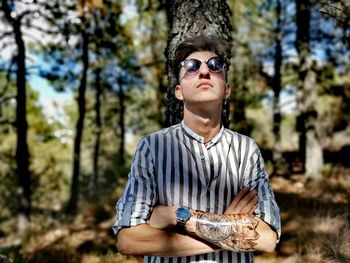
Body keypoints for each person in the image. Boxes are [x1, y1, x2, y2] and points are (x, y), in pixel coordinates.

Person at [112, 35, 281, 263]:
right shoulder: (151, 147)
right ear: (179, 92)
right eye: (191, 67)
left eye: (215, 66)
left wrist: (177, 216)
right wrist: (228, 229)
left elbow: (267, 239)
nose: (204, 72)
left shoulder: (247, 150)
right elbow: (129, 240)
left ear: (227, 89)